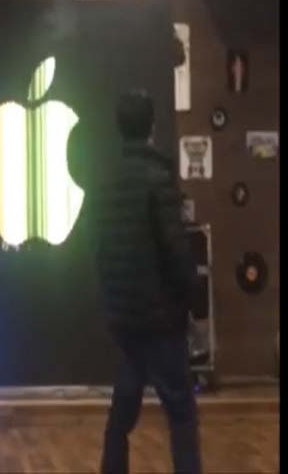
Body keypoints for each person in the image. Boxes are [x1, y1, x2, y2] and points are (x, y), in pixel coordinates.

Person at [89, 90, 207, 474]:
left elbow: (100, 251)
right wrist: (194, 302)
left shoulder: (105, 185)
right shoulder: (159, 180)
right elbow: (176, 251)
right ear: (152, 127)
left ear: (120, 129)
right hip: (161, 320)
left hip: (124, 319)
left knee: (122, 411)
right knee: (181, 412)